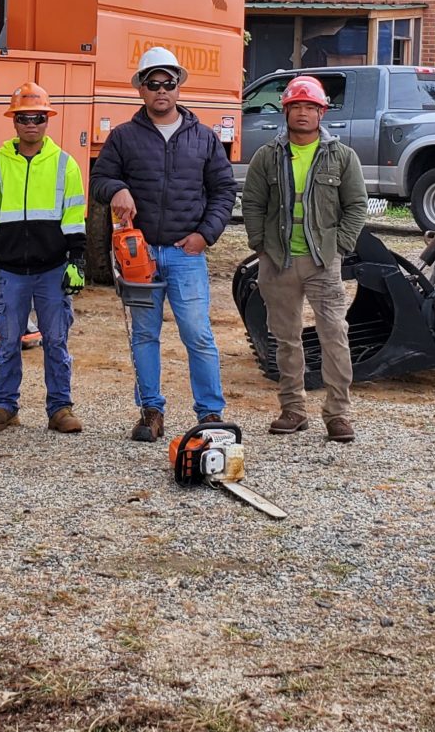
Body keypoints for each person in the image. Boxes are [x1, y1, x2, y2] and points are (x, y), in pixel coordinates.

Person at [89, 45, 237, 442]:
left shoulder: (204, 139)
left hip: (186, 254)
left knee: (198, 334)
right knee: (144, 335)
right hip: (141, 255)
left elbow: (224, 190)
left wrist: (205, 235)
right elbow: (99, 181)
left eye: (168, 83)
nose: (160, 90)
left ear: (178, 87)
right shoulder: (123, 138)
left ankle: (209, 414)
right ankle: (151, 410)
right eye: (152, 83)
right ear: (140, 89)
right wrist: (117, 188)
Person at [239, 74, 369, 443]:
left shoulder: (342, 156)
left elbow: (356, 205)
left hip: (322, 260)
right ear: (285, 111)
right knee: (286, 339)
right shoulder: (267, 156)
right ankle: (293, 410)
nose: (302, 113)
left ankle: (338, 414)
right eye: (296, 106)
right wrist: (259, 244)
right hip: (277, 261)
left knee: (334, 335)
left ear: (321, 112)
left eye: (310, 107)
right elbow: (252, 202)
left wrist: (340, 246)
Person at [0, 84, 87, 435]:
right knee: (8, 341)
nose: (31, 124)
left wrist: (76, 261)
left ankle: (60, 409)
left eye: (37, 117)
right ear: (15, 122)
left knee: (56, 340)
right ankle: (4, 406)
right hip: (8, 270)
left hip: (52, 269)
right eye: (24, 118)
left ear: (47, 120)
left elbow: (74, 217)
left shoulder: (65, 165)